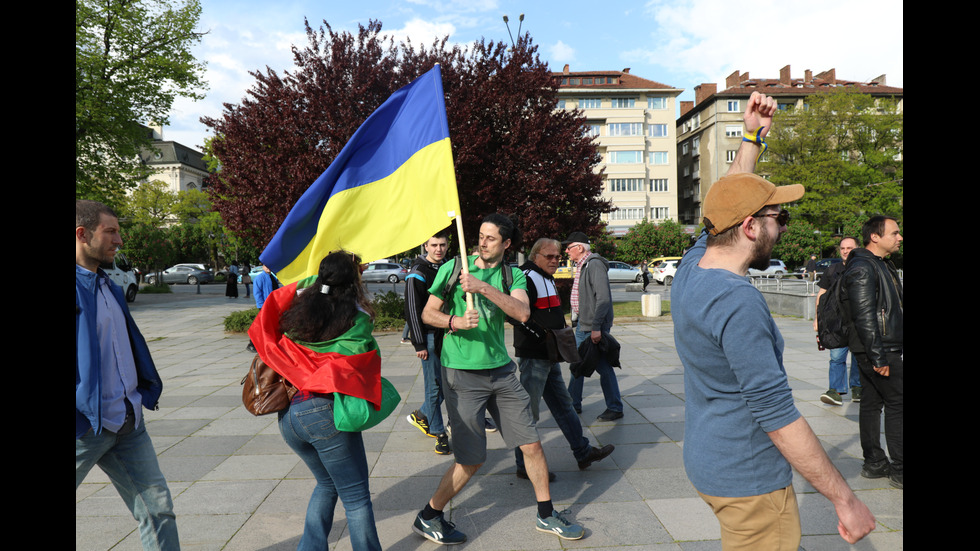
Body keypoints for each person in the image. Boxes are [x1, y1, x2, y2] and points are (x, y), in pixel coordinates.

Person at [671, 91, 876, 549]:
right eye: (778, 217)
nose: (783, 226)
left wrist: (750, 137)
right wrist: (845, 500)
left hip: (710, 460)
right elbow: (778, 415)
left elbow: (721, 201)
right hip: (750, 482)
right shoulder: (736, 301)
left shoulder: (691, 269)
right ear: (749, 227)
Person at [411, 214, 585, 545]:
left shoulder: (512, 274)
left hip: (502, 372)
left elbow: (521, 313)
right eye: (480, 236)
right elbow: (427, 313)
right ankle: (430, 515)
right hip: (461, 374)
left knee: (531, 444)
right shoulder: (452, 269)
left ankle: (546, 514)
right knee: (472, 459)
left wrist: (482, 287)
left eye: (491, 238)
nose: (482, 242)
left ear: (506, 244)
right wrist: (453, 322)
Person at [248, 251, 384, 551]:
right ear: (354, 282)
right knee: (357, 498)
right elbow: (366, 357)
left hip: (290, 416)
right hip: (325, 414)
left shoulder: (298, 312)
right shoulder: (356, 318)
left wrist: (317, 278)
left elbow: (275, 304)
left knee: (326, 484)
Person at [76, 200, 180, 551]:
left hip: (128, 422)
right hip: (84, 426)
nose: (119, 240)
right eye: (111, 231)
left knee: (158, 510)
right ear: (81, 234)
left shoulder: (107, 285)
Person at [513, 237, 615, 478]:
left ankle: (582, 452)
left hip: (550, 354)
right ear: (535, 255)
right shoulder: (525, 276)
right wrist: (540, 335)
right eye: (549, 256)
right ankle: (524, 465)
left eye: (558, 256)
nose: (555, 260)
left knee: (564, 405)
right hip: (534, 355)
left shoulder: (546, 275)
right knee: (529, 412)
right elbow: (515, 315)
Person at [844, 215, 903, 489]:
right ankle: (900, 468)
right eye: (895, 233)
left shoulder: (881, 263)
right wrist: (878, 356)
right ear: (875, 237)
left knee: (871, 402)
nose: (900, 237)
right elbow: (864, 315)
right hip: (880, 348)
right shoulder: (864, 266)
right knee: (897, 403)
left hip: (877, 347)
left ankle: (875, 462)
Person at [563, 231, 622, 421]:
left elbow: (603, 299)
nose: (566, 251)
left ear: (579, 248)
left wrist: (596, 327)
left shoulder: (594, 264)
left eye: (569, 247)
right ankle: (573, 404)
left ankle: (614, 407)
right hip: (584, 324)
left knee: (602, 366)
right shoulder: (584, 265)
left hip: (592, 327)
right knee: (578, 363)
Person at [404, 231, 452, 455]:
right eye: (434, 245)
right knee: (434, 387)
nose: (438, 249)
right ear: (425, 245)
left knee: (447, 384)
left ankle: (422, 415)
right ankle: (438, 432)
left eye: (442, 245)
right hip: (429, 338)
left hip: (446, 335)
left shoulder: (444, 267)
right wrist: (419, 344)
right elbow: (412, 310)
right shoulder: (418, 272)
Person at [815, 237, 861, 406]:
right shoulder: (832, 270)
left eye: (849, 248)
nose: (845, 251)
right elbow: (822, 295)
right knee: (836, 356)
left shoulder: (863, 268)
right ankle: (835, 391)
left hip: (858, 322)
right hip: (836, 323)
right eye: (842, 248)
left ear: (857, 249)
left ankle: (857, 388)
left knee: (858, 356)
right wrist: (817, 319)